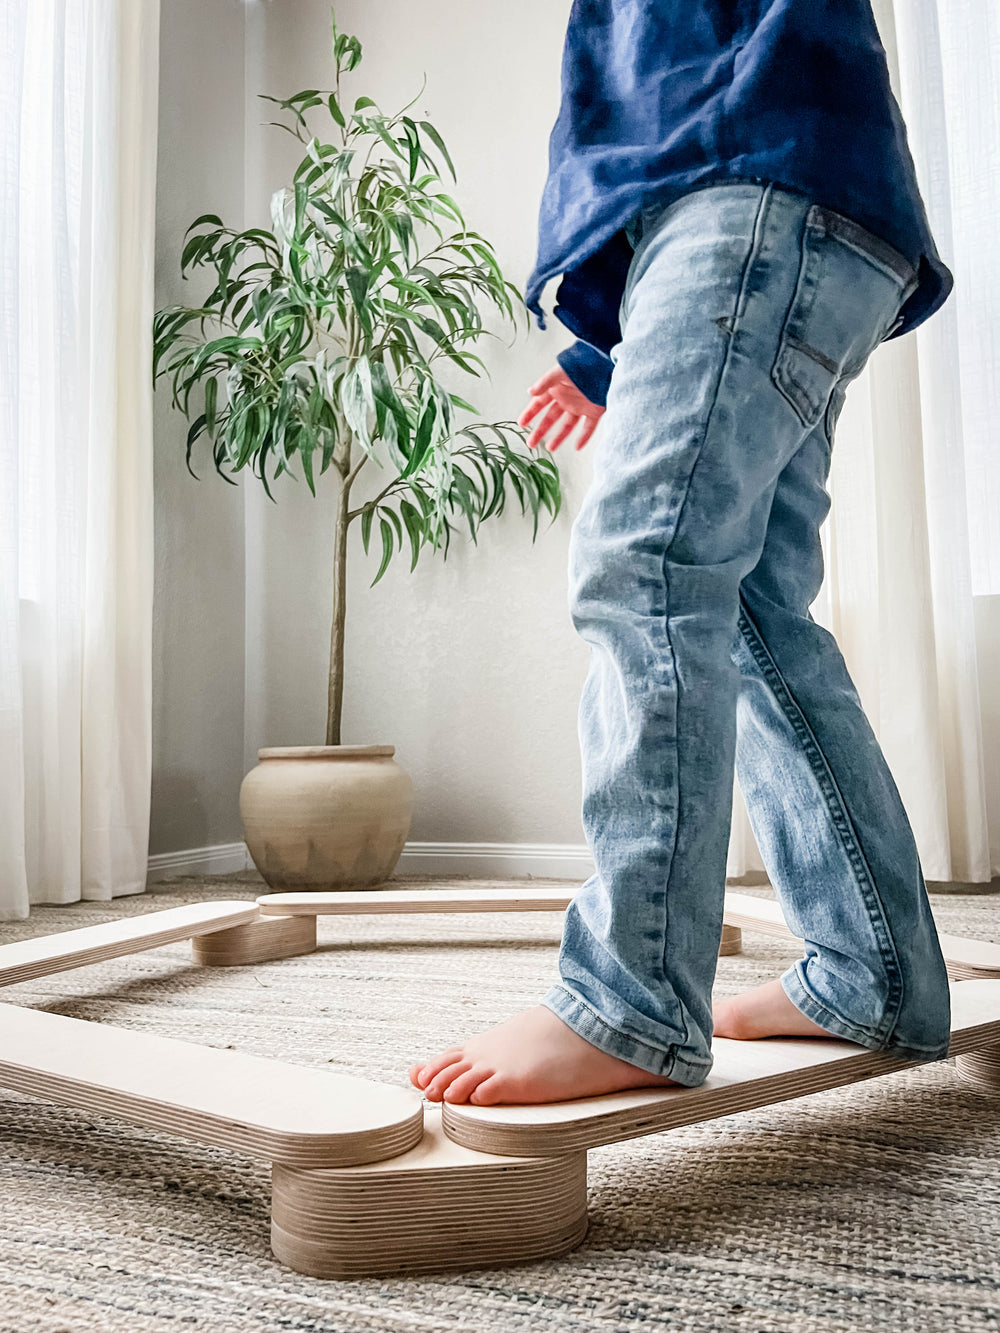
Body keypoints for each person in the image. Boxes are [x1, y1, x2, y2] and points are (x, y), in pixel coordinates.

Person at [410, 0, 954, 1108]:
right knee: (751, 607)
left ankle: (630, 996)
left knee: (643, 569)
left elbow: (675, 105)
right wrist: (615, 335)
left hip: (753, 196)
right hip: (794, 208)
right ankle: (870, 971)